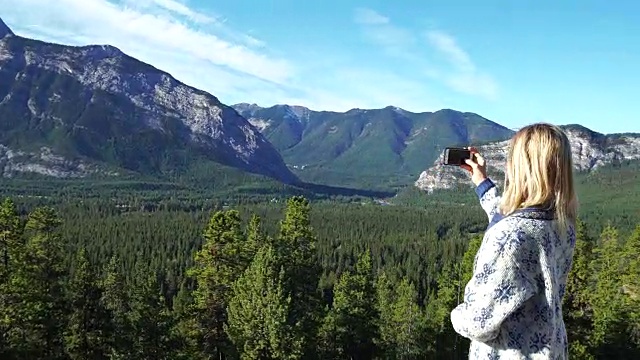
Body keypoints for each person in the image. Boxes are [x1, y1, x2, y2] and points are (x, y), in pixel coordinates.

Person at [450, 123, 579, 359]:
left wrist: (457, 315)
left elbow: (478, 323)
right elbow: (513, 221)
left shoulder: (510, 237)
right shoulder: (562, 224)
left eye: (512, 158)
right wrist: (482, 182)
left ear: (521, 168)